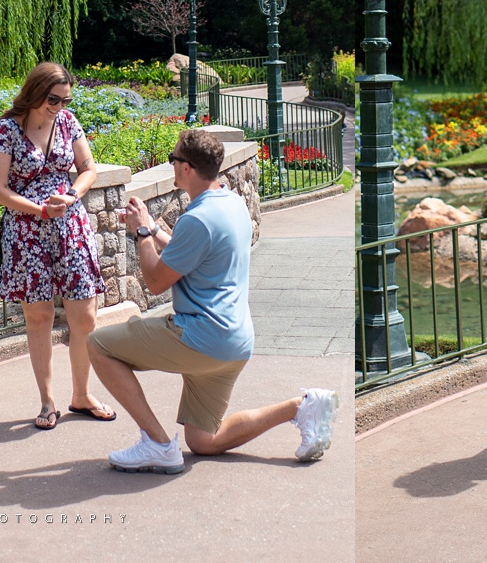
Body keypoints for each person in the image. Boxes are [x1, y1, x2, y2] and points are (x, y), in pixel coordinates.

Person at [87, 128, 339, 474]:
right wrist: (155, 230)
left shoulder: (197, 218)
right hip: (233, 343)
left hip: (199, 339)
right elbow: (191, 249)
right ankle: (302, 406)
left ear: (187, 168)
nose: (170, 164)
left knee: (98, 345)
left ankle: (158, 444)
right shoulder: (230, 201)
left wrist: (142, 233)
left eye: (173, 159)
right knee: (203, 441)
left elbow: (157, 281)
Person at [0, 61, 114, 430]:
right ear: (36, 92)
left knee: (85, 315)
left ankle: (82, 394)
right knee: (38, 316)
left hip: (70, 225)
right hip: (27, 230)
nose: (59, 106)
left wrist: (72, 194)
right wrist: (39, 209)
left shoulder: (68, 122)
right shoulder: (7, 129)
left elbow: (88, 167)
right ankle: (47, 401)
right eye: (53, 99)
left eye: (65, 99)